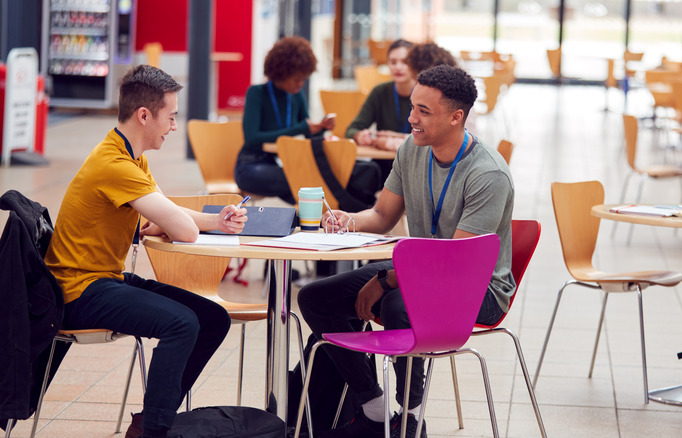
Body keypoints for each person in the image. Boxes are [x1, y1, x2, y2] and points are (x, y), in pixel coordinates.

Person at [297, 65, 515, 438]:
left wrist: (385, 281)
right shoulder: (413, 152)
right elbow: (382, 215)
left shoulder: (487, 174)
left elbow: (454, 263)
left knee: (401, 305)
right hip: (418, 273)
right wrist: (349, 220)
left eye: (423, 111)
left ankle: (410, 419)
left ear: (456, 117)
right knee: (316, 297)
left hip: (477, 288)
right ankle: (374, 409)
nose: (411, 119)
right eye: (412, 107)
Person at [44, 65, 247, 438]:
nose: (173, 127)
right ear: (144, 115)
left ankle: (147, 422)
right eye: (170, 117)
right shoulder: (115, 163)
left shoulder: (131, 155)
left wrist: (217, 221)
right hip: (76, 290)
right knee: (181, 323)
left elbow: (165, 210)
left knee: (212, 318)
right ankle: (155, 430)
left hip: (104, 279)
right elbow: (182, 228)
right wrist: (191, 221)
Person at [235, 36, 380, 207]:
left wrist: (319, 128)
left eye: (304, 79)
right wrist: (301, 128)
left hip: (286, 164)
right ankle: (355, 210)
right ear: (281, 73)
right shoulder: (257, 93)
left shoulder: (296, 96)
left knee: (310, 179)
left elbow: (307, 133)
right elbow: (252, 138)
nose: (300, 84)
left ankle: (349, 210)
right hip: (252, 166)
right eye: (297, 79)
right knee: (309, 179)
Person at [346, 39, 415, 154]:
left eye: (405, 62)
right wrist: (359, 136)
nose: (398, 67)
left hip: (413, 164)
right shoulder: (380, 92)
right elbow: (352, 129)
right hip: (383, 163)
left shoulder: (424, 94)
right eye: (393, 62)